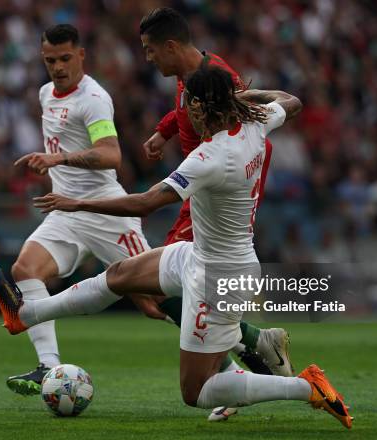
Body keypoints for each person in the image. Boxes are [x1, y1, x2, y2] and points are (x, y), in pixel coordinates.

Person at [0, 67, 352, 429]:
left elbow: (145, 203)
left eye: (188, 105)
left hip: (218, 277)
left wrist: (78, 203)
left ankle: (307, 388)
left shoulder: (210, 157)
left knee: (197, 391)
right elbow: (291, 102)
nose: (186, 113)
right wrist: (244, 100)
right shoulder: (255, 125)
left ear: (198, 108)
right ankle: (25, 314)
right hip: (202, 255)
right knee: (120, 275)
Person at [137, 8, 291, 418]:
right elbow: (192, 111)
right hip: (201, 185)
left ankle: (252, 348)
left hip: (209, 189)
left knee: (158, 289)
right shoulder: (190, 79)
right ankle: (236, 366)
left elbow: (252, 134)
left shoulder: (220, 75)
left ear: (171, 47)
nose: (148, 59)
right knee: (167, 290)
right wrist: (165, 129)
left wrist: (245, 193)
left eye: (151, 50)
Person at [3, 24, 151, 396]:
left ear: (81, 55)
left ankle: (234, 359)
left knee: (156, 302)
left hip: (106, 212)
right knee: (25, 269)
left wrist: (59, 158)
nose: (58, 67)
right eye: (50, 60)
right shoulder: (45, 94)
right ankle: (48, 366)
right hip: (66, 212)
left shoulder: (93, 99)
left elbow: (111, 155)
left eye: (66, 58)